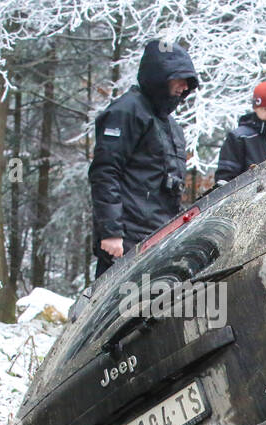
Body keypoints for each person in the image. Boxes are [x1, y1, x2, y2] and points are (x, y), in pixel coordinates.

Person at [90, 39, 199, 277]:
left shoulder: (170, 126)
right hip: (126, 242)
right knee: (120, 311)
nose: (184, 88)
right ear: (160, 76)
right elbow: (105, 172)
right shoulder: (126, 112)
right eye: (179, 80)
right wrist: (111, 232)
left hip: (159, 239)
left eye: (188, 83)